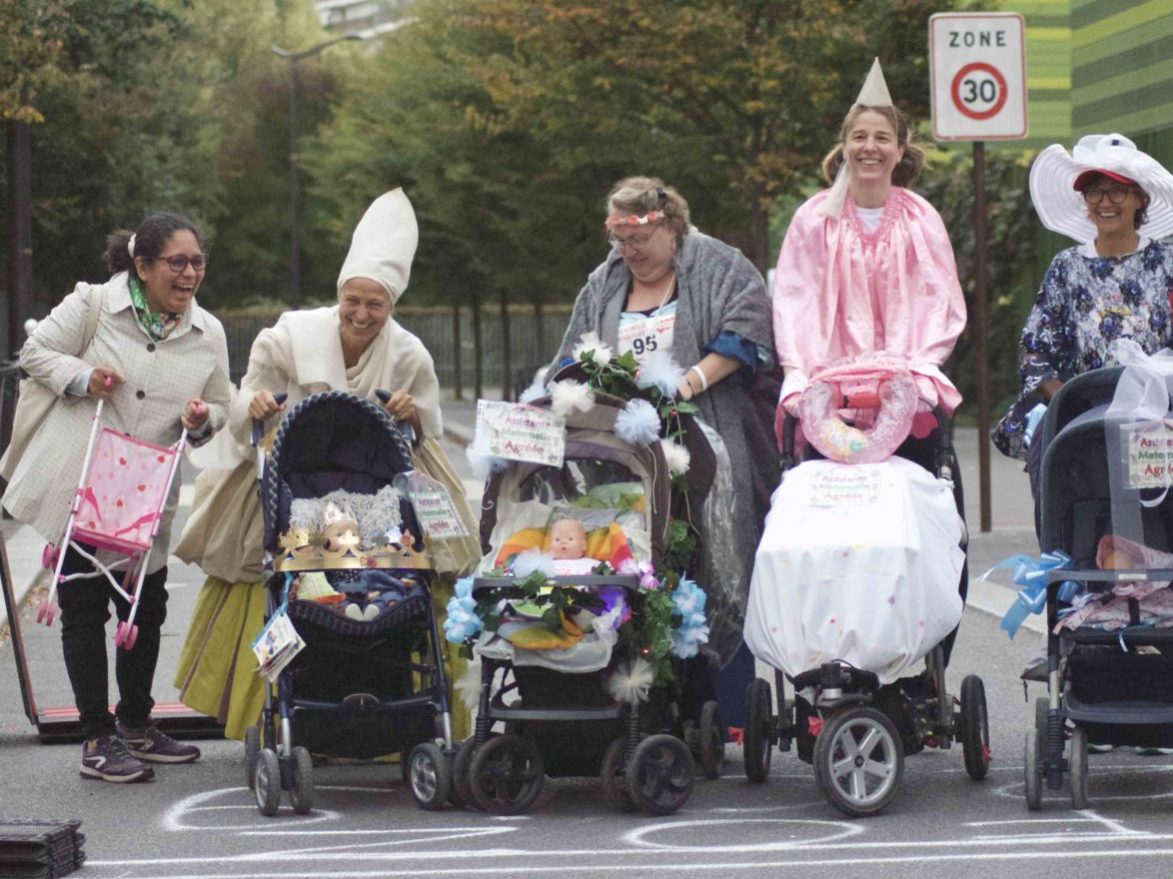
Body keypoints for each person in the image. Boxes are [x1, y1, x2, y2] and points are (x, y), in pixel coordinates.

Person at [173, 188, 481, 743]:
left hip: (381, 481)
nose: (362, 314)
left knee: (422, 560)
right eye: (353, 301)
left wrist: (413, 411)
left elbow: (428, 420)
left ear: (392, 307)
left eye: (376, 305)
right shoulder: (290, 334)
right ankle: (273, 709)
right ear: (339, 296)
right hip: (293, 470)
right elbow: (246, 398)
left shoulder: (409, 352)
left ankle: (405, 709)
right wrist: (260, 405)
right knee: (263, 568)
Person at [0, 213, 232, 782]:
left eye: (197, 261)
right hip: (86, 477)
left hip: (149, 488)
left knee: (145, 606)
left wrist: (203, 419)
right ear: (143, 266)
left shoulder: (210, 332)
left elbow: (223, 403)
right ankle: (96, 737)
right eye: (176, 262)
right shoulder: (95, 306)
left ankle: (135, 724)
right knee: (83, 605)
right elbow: (35, 354)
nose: (190, 273)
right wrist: (83, 378)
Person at [553, 175, 776, 728]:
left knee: (713, 565)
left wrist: (688, 383)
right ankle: (641, 712)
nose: (629, 253)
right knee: (633, 565)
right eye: (620, 242)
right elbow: (572, 359)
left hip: (707, 443)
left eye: (640, 241)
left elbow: (747, 333)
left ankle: (725, 713)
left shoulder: (720, 266)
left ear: (671, 229)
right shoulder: (603, 285)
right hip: (623, 455)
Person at [992, 133, 1173, 532]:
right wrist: (1066, 399)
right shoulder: (1066, 267)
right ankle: (1069, 561)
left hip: (1157, 407)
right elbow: (1036, 345)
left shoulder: (1166, 262)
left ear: (1140, 198)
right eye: (1094, 192)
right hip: (1083, 406)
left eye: (1116, 191)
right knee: (1050, 452)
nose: (1104, 202)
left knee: (1155, 510)